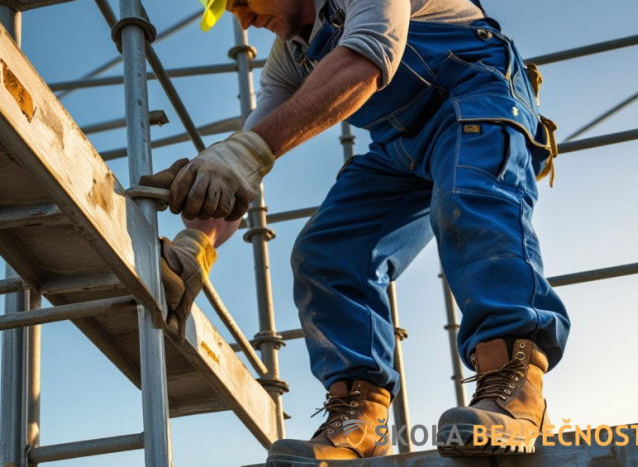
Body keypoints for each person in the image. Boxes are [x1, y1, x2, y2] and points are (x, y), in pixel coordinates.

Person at [145, 0, 571, 463]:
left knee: (471, 201)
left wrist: (242, 155)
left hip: (477, 94)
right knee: (327, 253)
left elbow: (367, 58)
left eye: (243, 1)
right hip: (403, 146)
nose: (244, 19)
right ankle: (359, 419)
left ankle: (516, 388)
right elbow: (246, 161)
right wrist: (198, 243)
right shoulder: (290, 58)